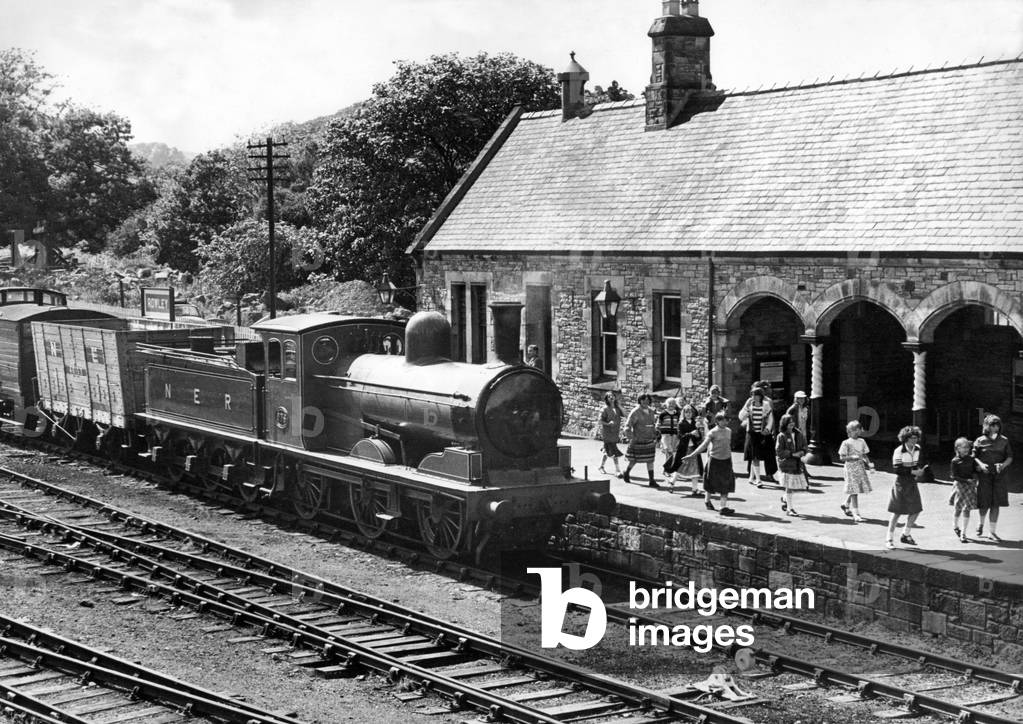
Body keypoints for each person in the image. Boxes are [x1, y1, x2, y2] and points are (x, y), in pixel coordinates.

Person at [682, 411, 735, 516]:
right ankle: (707, 500)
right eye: (723, 420)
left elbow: (727, 446)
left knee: (726, 483)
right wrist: (692, 455)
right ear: (717, 421)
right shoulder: (712, 432)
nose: (726, 422)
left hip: (726, 460)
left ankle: (722, 507)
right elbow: (704, 445)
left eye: (727, 420)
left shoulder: (729, 431)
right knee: (710, 482)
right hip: (714, 460)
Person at [973, 414, 1013, 541]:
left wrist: (1003, 464)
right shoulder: (980, 440)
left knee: (996, 504)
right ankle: (981, 523)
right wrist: (980, 465)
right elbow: (973, 456)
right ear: (987, 426)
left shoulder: (1004, 440)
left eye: (997, 425)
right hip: (984, 475)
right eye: (992, 425)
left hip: (999, 476)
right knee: (984, 503)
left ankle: (992, 532)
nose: (995, 428)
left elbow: (1010, 457)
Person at [886, 425, 926, 549]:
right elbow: (897, 469)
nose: (914, 440)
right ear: (905, 438)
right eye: (912, 438)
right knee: (897, 512)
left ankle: (905, 534)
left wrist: (919, 470)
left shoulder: (918, 449)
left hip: (912, 482)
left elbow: (917, 463)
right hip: (901, 483)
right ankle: (889, 539)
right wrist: (913, 472)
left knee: (916, 509)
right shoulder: (899, 450)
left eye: (916, 438)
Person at [738, 386, 774, 485]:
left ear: (761, 396)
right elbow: (741, 417)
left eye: (757, 395)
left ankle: (751, 477)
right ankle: (758, 480)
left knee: (756, 456)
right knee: (755, 457)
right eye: (754, 395)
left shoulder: (766, 405)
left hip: (761, 434)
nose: (755, 397)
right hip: (751, 434)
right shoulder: (749, 404)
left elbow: (770, 418)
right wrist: (746, 409)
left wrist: (767, 429)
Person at [838, 420, 872, 522]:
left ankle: (845, 504)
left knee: (855, 488)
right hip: (850, 468)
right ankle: (856, 513)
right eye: (854, 430)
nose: (857, 432)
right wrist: (852, 457)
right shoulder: (846, 443)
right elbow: (841, 457)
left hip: (860, 467)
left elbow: (864, 454)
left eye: (859, 429)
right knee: (854, 490)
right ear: (849, 431)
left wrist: (869, 464)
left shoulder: (862, 441)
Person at [624, 393, 660, 487]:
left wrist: (655, 433)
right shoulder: (635, 412)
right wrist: (631, 437)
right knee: (634, 460)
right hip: (638, 439)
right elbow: (627, 426)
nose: (645, 402)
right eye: (643, 400)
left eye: (647, 401)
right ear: (640, 400)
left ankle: (651, 480)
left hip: (649, 439)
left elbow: (653, 424)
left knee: (650, 460)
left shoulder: (651, 412)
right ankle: (626, 473)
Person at [775, 414, 808, 516]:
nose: (792, 424)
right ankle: (790, 509)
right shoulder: (781, 436)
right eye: (789, 422)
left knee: (792, 486)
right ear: (784, 424)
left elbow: (805, 446)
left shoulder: (799, 434)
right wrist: (792, 454)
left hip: (797, 464)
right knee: (789, 486)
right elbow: (779, 451)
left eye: (793, 422)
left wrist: (802, 452)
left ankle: (785, 498)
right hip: (787, 465)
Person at [669, 403, 704, 493]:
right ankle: (672, 482)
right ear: (683, 413)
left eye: (690, 412)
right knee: (680, 467)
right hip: (684, 449)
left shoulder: (694, 423)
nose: (688, 414)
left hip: (693, 448)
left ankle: (694, 489)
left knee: (696, 468)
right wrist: (691, 433)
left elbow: (699, 438)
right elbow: (680, 436)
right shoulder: (681, 423)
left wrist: (698, 433)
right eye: (686, 412)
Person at [950, 437, 979, 543]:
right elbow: (953, 476)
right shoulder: (955, 461)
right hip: (960, 486)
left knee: (966, 509)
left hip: (969, 486)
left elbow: (975, 470)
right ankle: (955, 525)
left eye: (968, 447)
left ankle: (963, 533)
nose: (967, 449)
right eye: (964, 447)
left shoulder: (971, 459)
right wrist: (966, 480)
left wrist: (975, 478)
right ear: (957, 448)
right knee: (958, 508)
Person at [596, 391, 624, 477]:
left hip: (615, 433)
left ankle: (601, 466)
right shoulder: (604, 409)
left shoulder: (617, 409)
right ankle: (618, 470)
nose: (611, 397)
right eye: (609, 397)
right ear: (607, 399)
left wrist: (619, 405)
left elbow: (625, 414)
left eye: (612, 396)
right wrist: (608, 424)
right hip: (607, 433)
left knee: (608, 451)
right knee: (614, 451)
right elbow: (600, 421)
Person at [657, 398, 681, 475]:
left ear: (675, 405)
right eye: (669, 403)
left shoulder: (677, 414)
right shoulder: (663, 414)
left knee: (672, 453)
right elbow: (658, 424)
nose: (671, 405)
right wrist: (658, 428)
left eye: (673, 403)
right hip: (666, 435)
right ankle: (667, 470)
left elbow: (679, 424)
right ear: (666, 404)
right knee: (668, 452)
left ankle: (667, 470)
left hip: (674, 435)